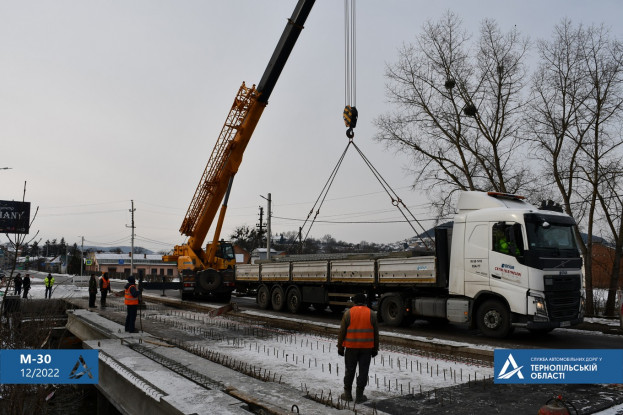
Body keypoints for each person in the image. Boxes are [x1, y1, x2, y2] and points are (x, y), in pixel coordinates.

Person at [337, 293, 379, 403]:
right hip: (366, 348)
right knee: (363, 371)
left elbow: (342, 332)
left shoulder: (348, 313)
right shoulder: (372, 314)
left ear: (354, 302)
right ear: (365, 302)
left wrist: (340, 347)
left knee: (350, 370)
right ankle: (359, 396)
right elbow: (376, 333)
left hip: (351, 348)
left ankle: (347, 395)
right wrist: (375, 349)